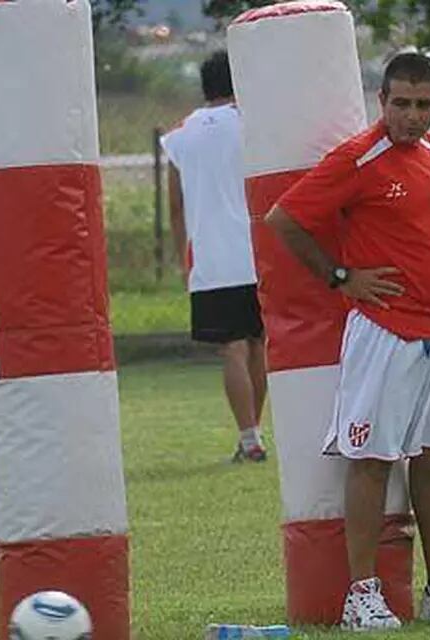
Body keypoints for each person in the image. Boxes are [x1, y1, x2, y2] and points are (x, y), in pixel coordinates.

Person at [264, 53, 430, 632]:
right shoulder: (358, 157)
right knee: (372, 461)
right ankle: (361, 595)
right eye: (401, 103)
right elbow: (284, 219)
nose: (412, 115)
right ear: (383, 101)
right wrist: (341, 277)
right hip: (384, 332)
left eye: (423, 104)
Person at [162, 51, 268, 463]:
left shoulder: (179, 136)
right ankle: (254, 436)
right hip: (256, 252)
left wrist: (180, 256)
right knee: (258, 344)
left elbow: (175, 207)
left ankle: (248, 437)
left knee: (232, 349)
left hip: (210, 257)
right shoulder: (251, 125)